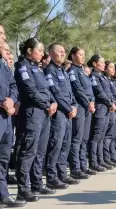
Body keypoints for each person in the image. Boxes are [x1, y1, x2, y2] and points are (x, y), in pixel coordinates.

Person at [14, 38, 57, 203]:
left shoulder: (37, 69)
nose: (42, 53)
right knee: (28, 151)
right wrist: (47, 103)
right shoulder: (23, 67)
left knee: (40, 151)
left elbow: (46, 89)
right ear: (30, 51)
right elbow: (30, 91)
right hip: (32, 113)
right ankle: (23, 189)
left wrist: (53, 102)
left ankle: (36, 184)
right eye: (39, 50)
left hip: (44, 112)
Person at [45, 43, 79, 189]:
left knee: (65, 144)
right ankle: (52, 177)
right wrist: (67, 108)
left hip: (68, 112)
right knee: (56, 144)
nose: (63, 54)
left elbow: (70, 93)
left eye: (64, 51)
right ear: (51, 54)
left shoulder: (63, 71)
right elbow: (55, 91)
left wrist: (74, 106)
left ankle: (62, 174)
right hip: (60, 113)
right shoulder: (50, 70)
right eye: (60, 51)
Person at [0, 35, 27, 207]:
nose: (3, 37)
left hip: (6, 116)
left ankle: (3, 195)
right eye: (0, 34)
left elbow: (12, 85)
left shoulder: (3, 64)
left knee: (3, 158)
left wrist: (11, 99)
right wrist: (2, 100)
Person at [68, 47, 96, 179]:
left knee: (84, 138)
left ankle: (83, 166)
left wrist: (92, 102)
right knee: (77, 139)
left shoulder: (83, 71)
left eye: (84, 54)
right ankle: (75, 168)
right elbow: (78, 90)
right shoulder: (73, 71)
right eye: (80, 54)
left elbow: (89, 89)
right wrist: (87, 102)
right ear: (73, 56)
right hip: (80, 107)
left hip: (88, 108)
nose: (83, 56)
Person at [88, 54, 115, 172]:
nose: (104, 64)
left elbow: (108, 92)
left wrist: (111, 103)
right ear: (94, 64)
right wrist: (109, 103)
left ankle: (101, 160)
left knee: (102, 136)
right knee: (97, 136)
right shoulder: (94, 77)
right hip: (100, 108)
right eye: (102, 62)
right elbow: (99, 92)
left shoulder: (102, 77)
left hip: (106, 108)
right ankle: (94, 162)